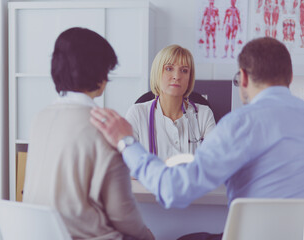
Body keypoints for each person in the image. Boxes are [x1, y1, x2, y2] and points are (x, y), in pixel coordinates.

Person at [90, 37, 304, 240]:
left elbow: (172, 189)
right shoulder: (139, 112)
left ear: (244, 77)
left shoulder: (239, 124)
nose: (177, 76)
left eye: (184, 70)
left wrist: (126, 142)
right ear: (290, 76)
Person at [22, 27, 154, 240]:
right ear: (100, 72)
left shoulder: (39, 119)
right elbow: (122, 213)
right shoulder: (106, 126)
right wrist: (147, 236)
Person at [125, 44, 215, 160]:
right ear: (157, 73)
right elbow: (126, 166)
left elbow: (214, 163)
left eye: (184, 70)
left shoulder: (204, 114)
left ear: (190, 77)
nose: (177, 76)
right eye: (169, 68)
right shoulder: (137, 114)